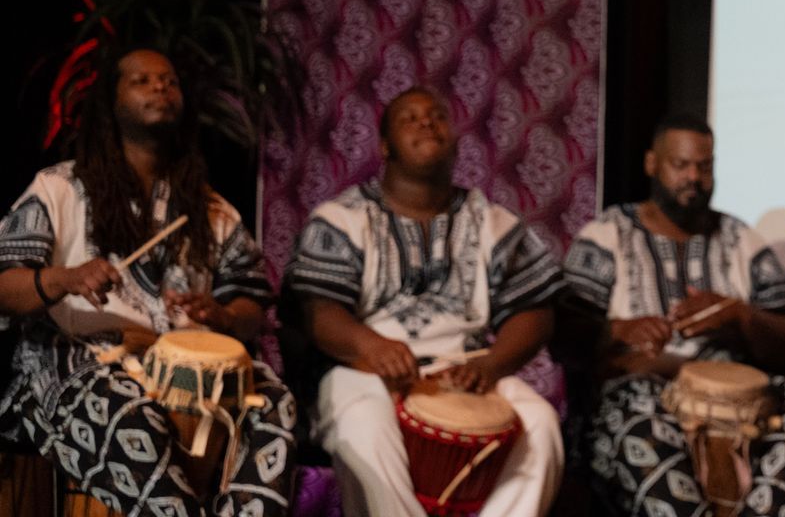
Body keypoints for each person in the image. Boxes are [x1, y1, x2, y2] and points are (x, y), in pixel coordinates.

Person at [0, 46, 297, 516]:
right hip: (77, 360)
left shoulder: (210, 210)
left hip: (184, 363)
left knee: (272, 404)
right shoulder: (57, 189)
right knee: (131, 414)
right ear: (109, 102)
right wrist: (64, 278)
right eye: (141, 80)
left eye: (169, 80)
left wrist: (221, 314)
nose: (160, 86)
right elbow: (5, 285)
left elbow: (251, 303)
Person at [284, 86, 563, 517]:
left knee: (541, 425)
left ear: (454, 139)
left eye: (436, 116)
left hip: (468, 367)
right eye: (408, 118)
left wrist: (491, 365)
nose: (426, 122)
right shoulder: (341, 220)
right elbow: (318, 310)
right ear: (384, 146)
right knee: (363, 427)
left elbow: (535, 313)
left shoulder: (492, 221)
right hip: (365, 371)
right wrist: (369, 346)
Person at [563, 113, 785, 517]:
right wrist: (617, 329)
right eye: (680, 165)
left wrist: (742, 316)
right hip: (637, 401)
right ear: (652, 164)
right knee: (639, 416)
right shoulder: (608, 235)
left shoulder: (740, 240)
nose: (693, 177)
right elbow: (562, 332)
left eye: (705, 166)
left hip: (737, 408)